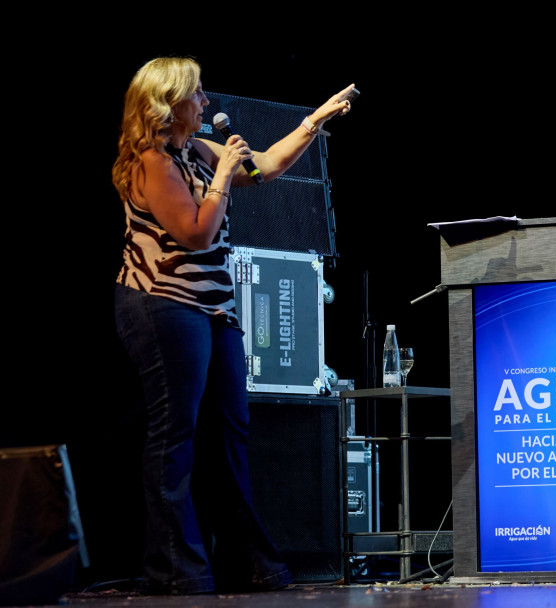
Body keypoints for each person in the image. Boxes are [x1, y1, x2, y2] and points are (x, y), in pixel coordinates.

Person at [111, 56, 355, 595]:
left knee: (230, 432)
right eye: (196, 93)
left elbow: (265, 166)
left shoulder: (195, 150)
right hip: (162, 303)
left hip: (214, 309)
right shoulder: (152, 162)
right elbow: (196, 233)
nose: (205, 102)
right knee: (176, 434)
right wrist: (223, 175)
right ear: (168, 103)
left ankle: (248, 564)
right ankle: (175, 568)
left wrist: (313, 122)